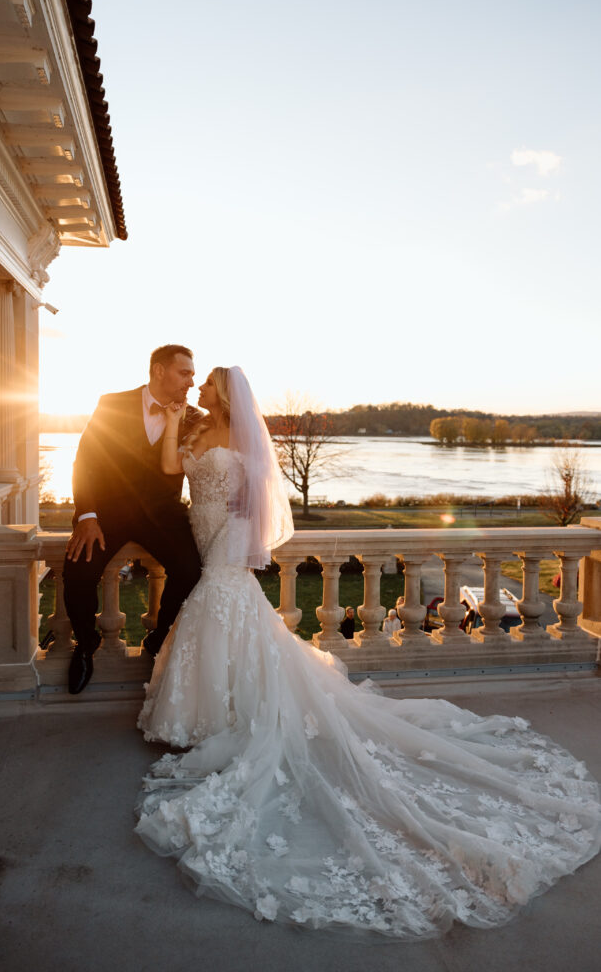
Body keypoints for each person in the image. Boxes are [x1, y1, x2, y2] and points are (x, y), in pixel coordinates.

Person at [135, 366, 601, 938]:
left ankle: (227, 708)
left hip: (226, 536)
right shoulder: (197, 428)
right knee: (223, 609)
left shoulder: (244, 440)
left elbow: (257, 500)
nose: (200, 389)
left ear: (226, 393)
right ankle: (224, 702)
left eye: (207, 384)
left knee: (222, 598)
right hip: (200, 529)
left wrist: (241, 531)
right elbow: (167, 469)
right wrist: (181, 418)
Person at [63, 344, 202, 694]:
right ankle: (86, 644)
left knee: (190, 569)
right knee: (77, 569)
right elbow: (86, 461)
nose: (191, 380)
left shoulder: (195, 418)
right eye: (184, 372)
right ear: (159, 370)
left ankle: (158, 639)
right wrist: (88, 515)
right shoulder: (112, 404)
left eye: (192, 374)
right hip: (109, 513)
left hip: (164, 514)